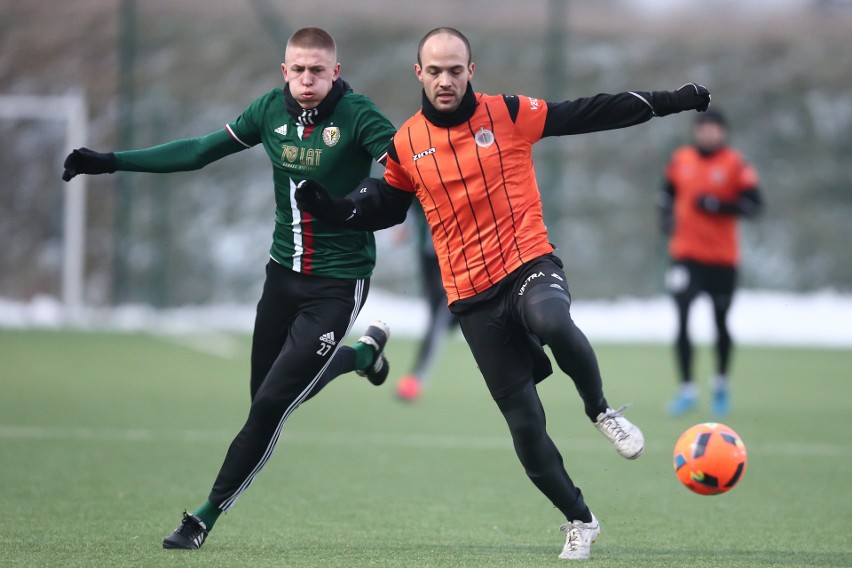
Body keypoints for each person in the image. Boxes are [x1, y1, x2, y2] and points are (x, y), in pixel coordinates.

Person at [295, 27, 711, 560]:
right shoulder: (406, 144)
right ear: (418, 74)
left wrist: (670, 102)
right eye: (435, 70)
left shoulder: (508, 114)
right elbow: (381, 205)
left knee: (553, 321)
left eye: (455, 69)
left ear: (471, 71)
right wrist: (330, 208)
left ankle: (602, 411)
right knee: (525, 427)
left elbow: (585, 112)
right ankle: (580, 520)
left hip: (527, 262)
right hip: (471, 296)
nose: (445, 80)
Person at [61, 27, 397, 550]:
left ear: (336, 71)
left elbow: (401, 172)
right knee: (265, 398)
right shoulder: (268, 111)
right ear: (284, 72)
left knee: (270, 407)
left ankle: (201, 518)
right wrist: (111, 161)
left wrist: (361, 202)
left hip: (338, 284)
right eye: (298, 70)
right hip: (281, 276)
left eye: (318, 70)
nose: (308, 79)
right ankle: (361, 357)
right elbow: (198, 151)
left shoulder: (359, 115)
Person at [658, 108, 763, 418]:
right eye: (703, 128)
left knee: (720, 322)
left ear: (723, 132)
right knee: (682, 319)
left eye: (714, 129)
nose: (708, 134)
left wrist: (719, 205)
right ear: (696, 131)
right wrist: (665, 217)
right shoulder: (681, 159)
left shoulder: (735, 164)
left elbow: (755, 206)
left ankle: (720, 385)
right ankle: (687, 390)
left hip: (722, 260)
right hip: (685, 256)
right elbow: (665, 193)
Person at [394, 201, 460, 401]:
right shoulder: (416, 179)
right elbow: (410, 205)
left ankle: (416, 377)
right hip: (428, 256)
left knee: (443, 311)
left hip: (454, 255)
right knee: (441, 315)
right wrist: (405, 227)